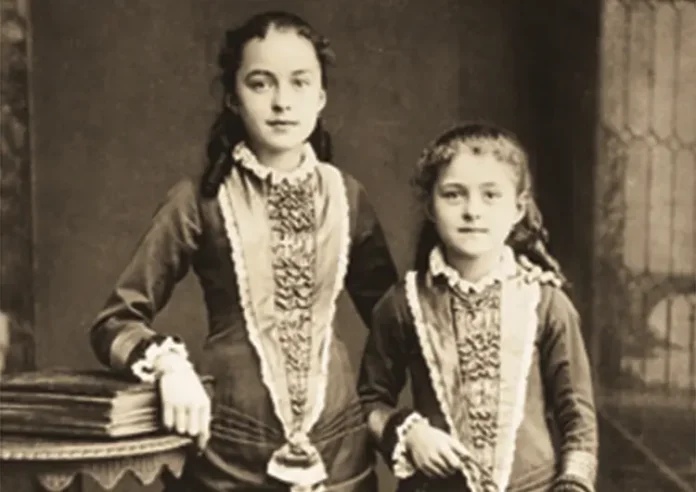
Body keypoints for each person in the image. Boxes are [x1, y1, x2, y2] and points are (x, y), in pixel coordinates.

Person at [90, 11, 563, 491]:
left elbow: (412, 320)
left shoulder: (346, 197)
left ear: (320, 96)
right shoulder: (198, 201)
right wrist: (169, 367)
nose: (282, 102)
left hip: (339, 454)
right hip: (228, 452)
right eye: (260, 83)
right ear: (232, 97)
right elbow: (114, 322)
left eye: (299, 83)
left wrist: (506, 277)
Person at [358, 123, 598, 492]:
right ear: (430, 206)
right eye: (454, 195)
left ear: (518, 208)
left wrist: (573, 486)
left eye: (491, 195)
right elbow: (369, 403)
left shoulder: (545, 302)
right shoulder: (404, 303)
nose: (472, 211)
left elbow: (579, 423)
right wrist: (411, 432)